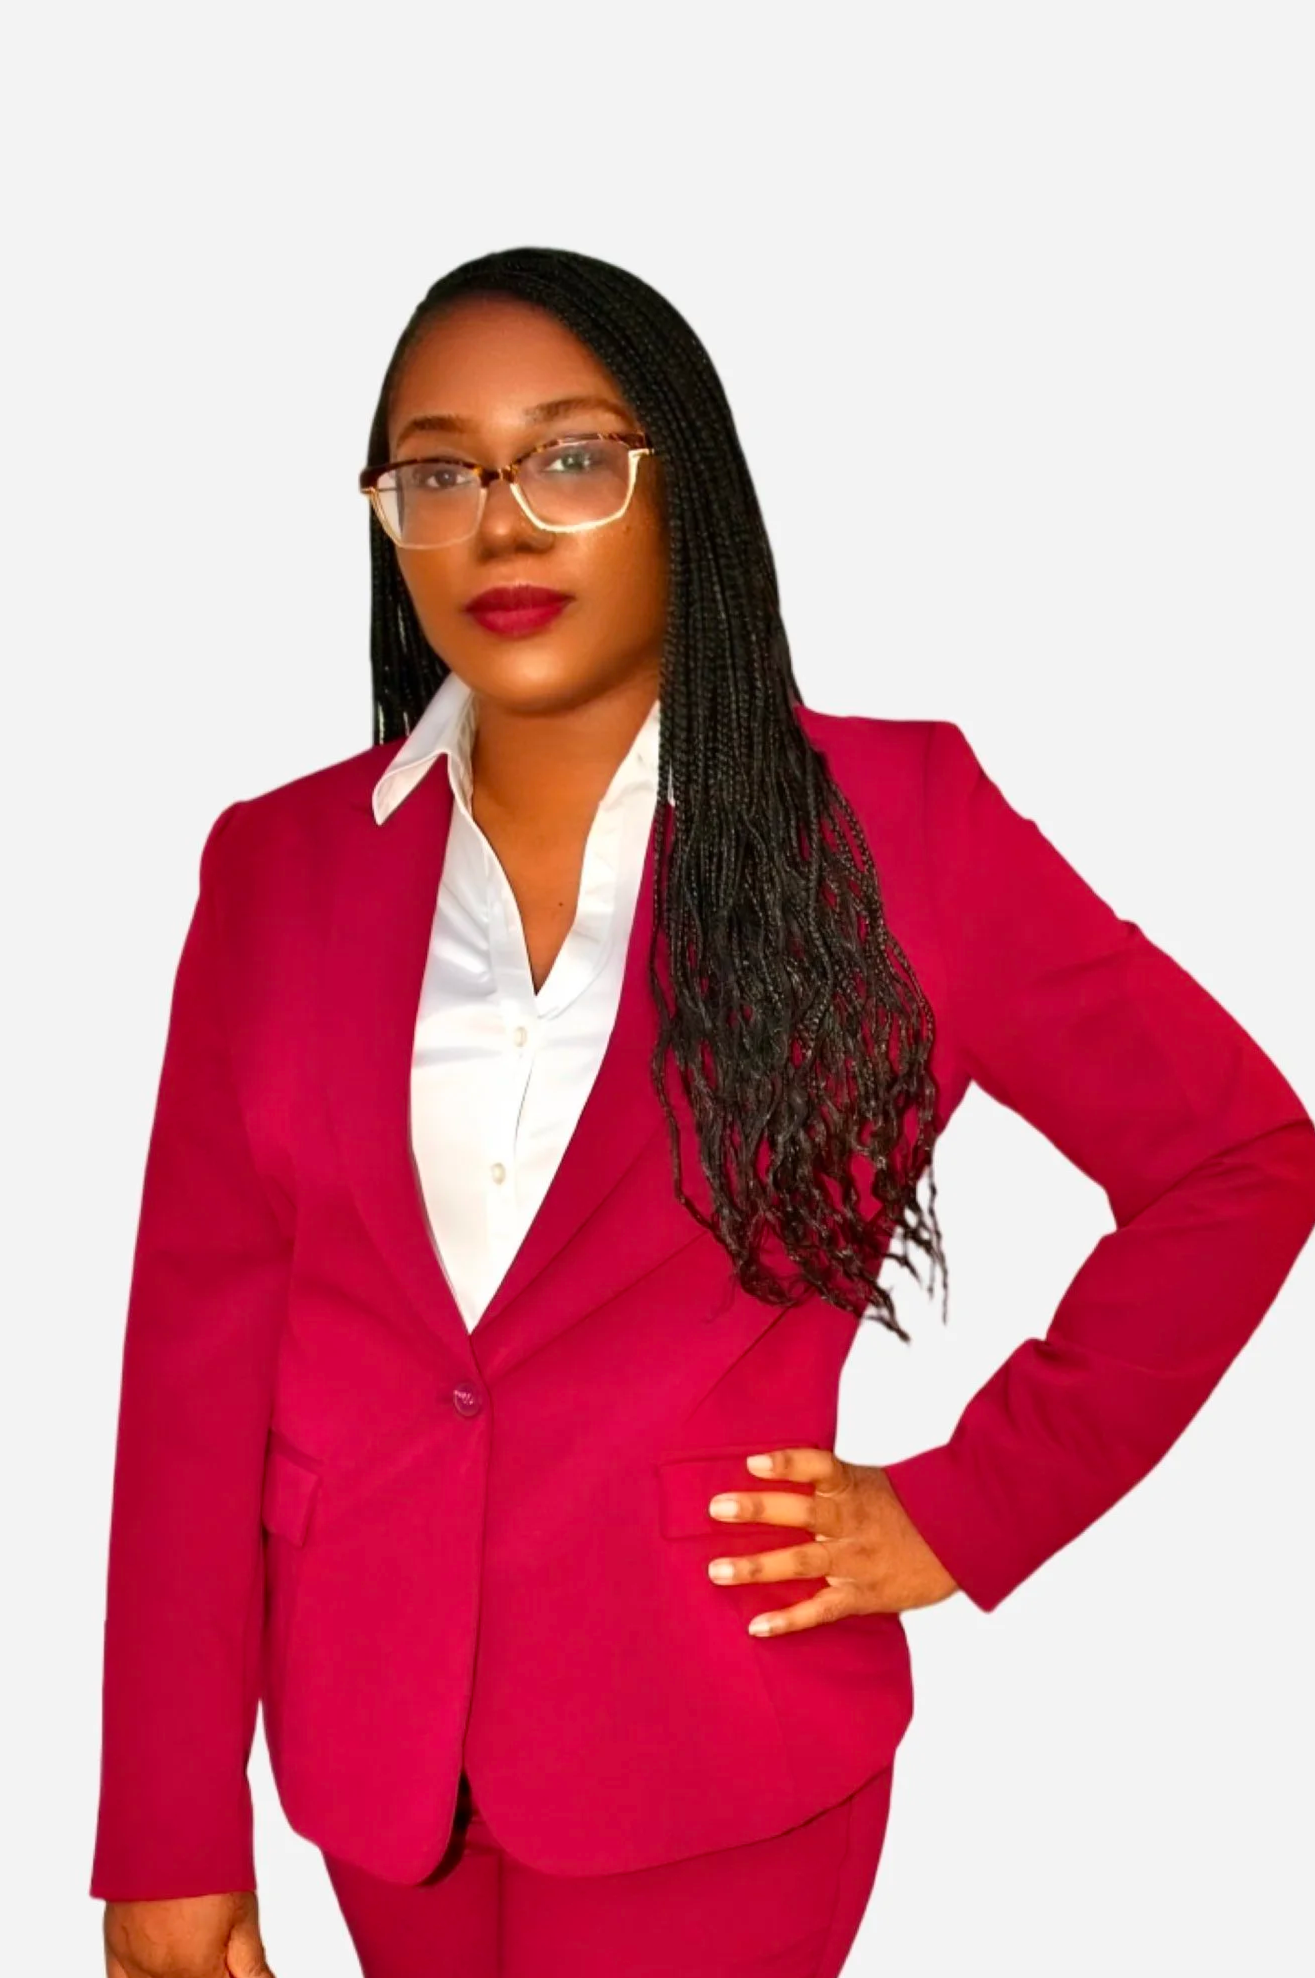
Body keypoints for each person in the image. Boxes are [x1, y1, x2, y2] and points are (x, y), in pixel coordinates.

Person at [92, 245, 1315, 1978]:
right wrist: (164, 1827)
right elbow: (193, 1375)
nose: (501, 523)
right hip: (376, 1765)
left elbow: (1236, 1157)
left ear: (686, 488)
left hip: (709, 1752)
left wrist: (966, 1507)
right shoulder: (278, 870)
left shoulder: (896, 826)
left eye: (571, 456)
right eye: (439, 472)